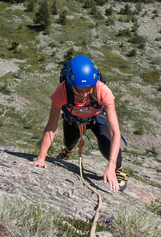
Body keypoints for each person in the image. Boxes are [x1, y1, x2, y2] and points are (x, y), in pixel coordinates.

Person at [29, 55, 127, 192]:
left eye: (88, 89)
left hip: (97, 118)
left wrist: (111, 165)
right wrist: (41, 158)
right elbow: (51, 127)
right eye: (79, 90)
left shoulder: (103, 91)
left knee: (108, 147)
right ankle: (69, 150)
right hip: (73, 118)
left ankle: (119, 169)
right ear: (70, 84)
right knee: (69, 142)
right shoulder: (62, 91)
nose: (85, 94)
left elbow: (115, 132)